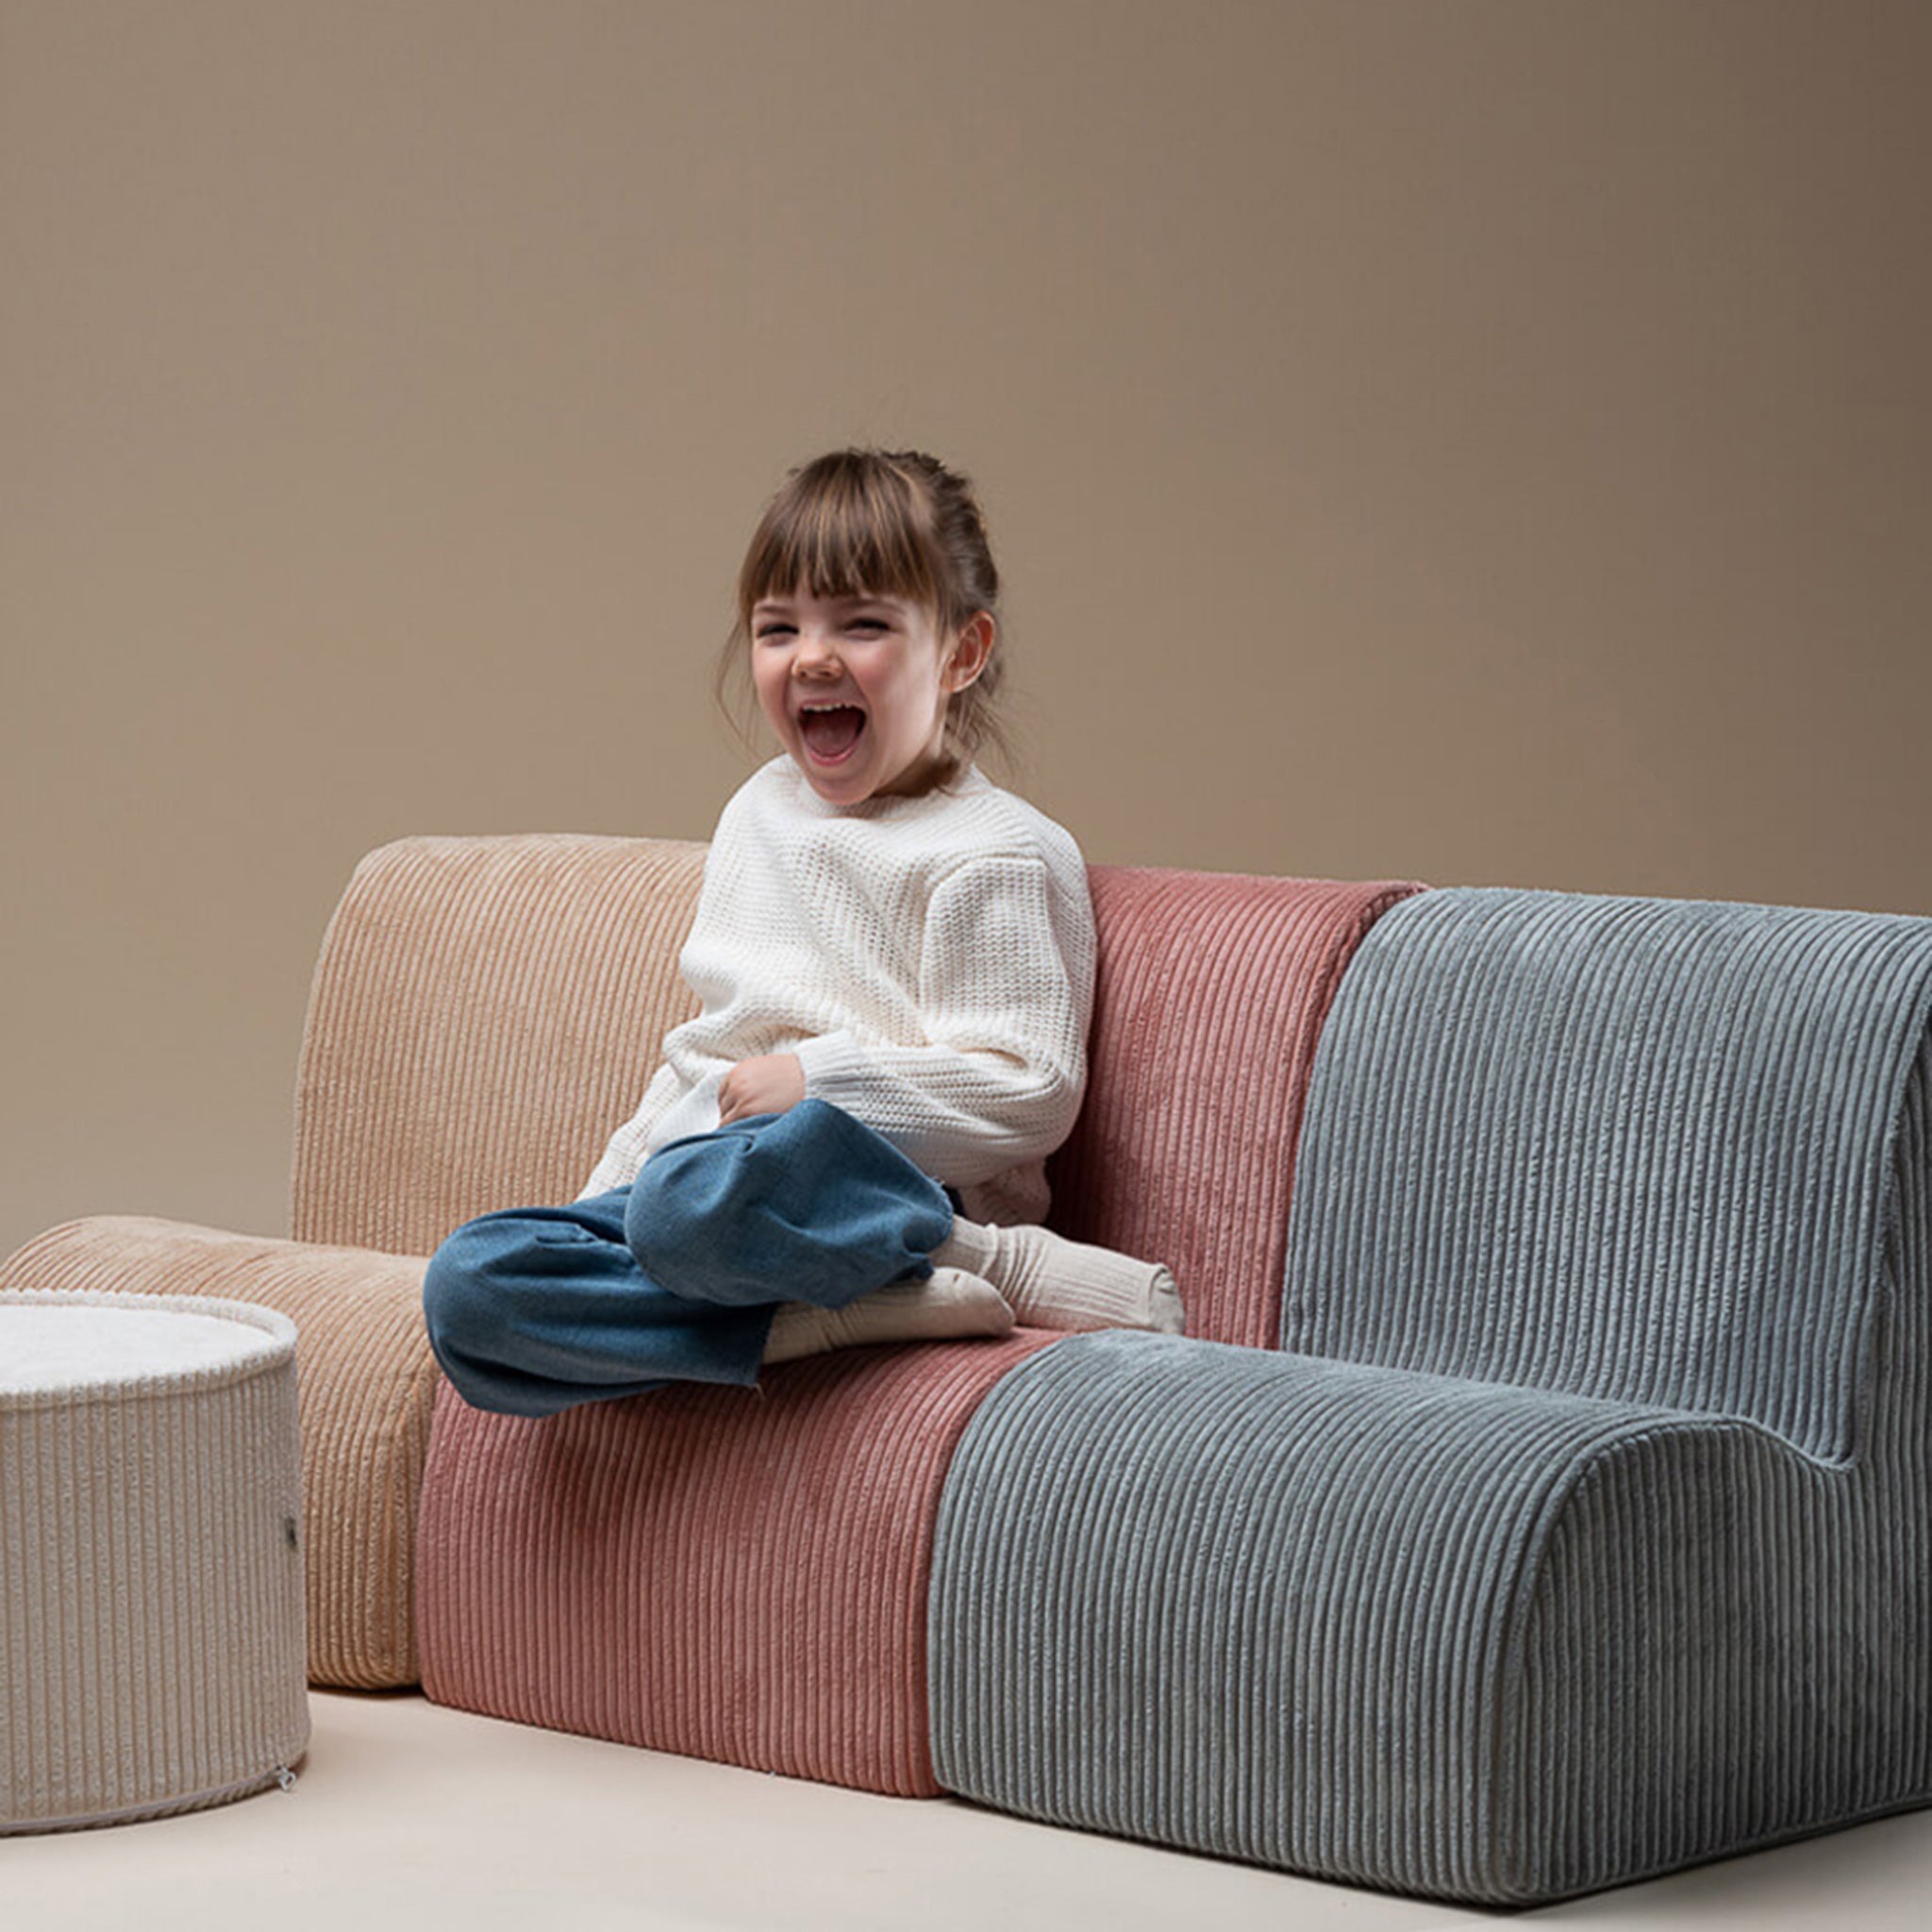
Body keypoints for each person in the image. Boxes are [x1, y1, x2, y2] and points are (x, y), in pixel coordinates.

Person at [423, 448, 1181, 1418]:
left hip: (863, 1194)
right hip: (699, 1195)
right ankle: (820, 1322)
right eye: (777, 628)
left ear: (960, 651)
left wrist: (818, 1081)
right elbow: (708, 1052)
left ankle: (988, 1264)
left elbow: (1029, 1091)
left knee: (695, 1195)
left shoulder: (994, 850)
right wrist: (600, 1203)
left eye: (861, 624)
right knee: (470, 1287)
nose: (811, 657)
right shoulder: (758, 813)